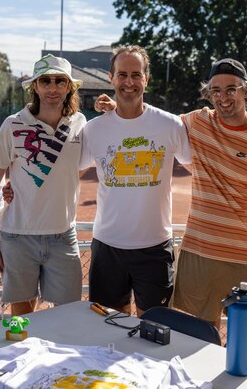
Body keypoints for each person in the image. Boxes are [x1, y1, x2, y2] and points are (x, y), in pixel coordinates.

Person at [96, 58, 247, 332]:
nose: (223, 98)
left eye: (231, 89)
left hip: (246, 256)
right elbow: (150, 121)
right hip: (198, 254)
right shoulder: (198, 122)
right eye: (216, 91)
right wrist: (118, 107)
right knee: (200, 343)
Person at [80, 45, 192, 317]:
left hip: (155, 248)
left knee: (153, 329)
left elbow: (199, 170)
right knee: (108, 325)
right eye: (122, 74)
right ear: (111, 77)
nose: (129, 82)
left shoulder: (170, 125)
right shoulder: (94, 129)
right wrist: (19, 192)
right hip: (108, 248)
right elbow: (69, 174)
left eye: (136, 74)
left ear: (147, 79)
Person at [0, 54, 86, 316]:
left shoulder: (81, 124)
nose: (52, 88)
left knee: (69, 315)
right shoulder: (12, 125)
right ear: (34, 86)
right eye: (45, 80)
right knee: (22, 318)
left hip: (63, 236)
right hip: (18, 236)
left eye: (60, 81)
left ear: (69, 87)